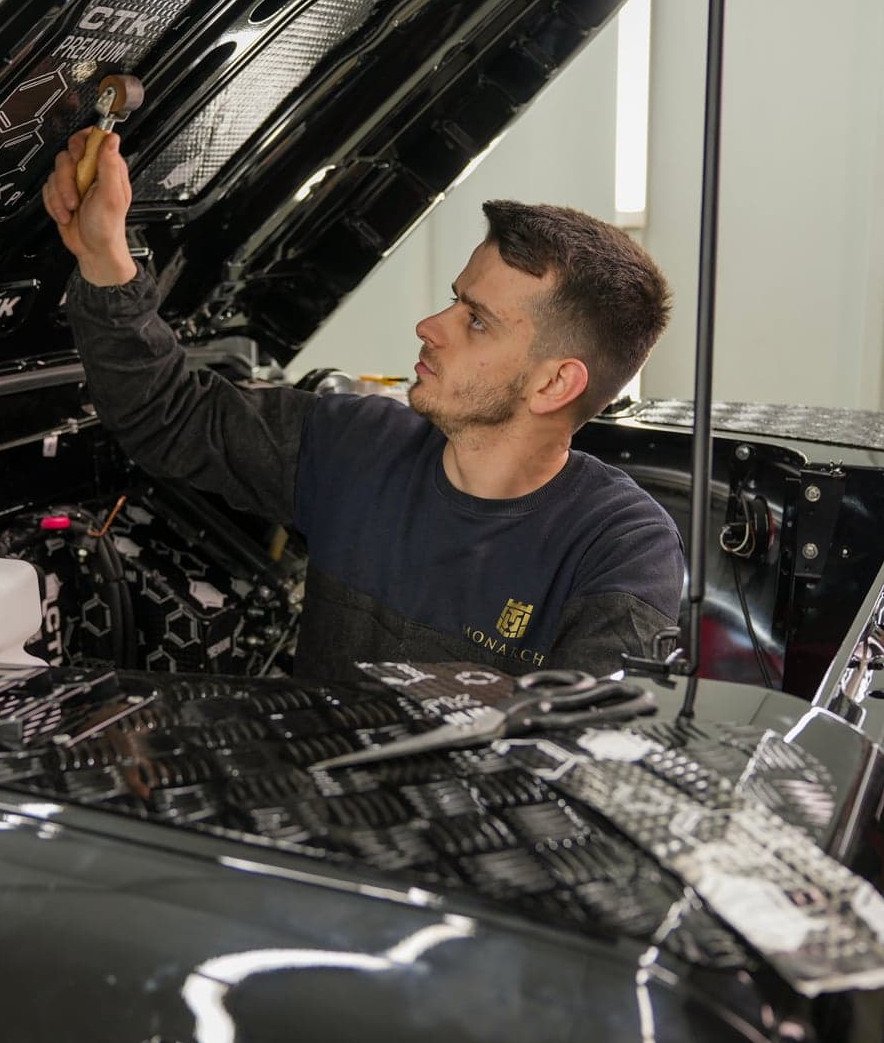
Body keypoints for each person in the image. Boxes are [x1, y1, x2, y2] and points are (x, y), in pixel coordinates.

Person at [43, 129, 684, 684]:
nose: (430, 326)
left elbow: (582, 747)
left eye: (478, 322)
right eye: (454, 301)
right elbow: (172, 418)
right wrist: (106, 259)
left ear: (553, 385)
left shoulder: (621, 546)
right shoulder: (357, 443)